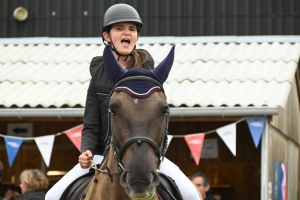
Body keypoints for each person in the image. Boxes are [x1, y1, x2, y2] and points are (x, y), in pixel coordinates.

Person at [46, 3, 200, 200]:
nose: (127, 32)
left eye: (132, 29)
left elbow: (160, 119)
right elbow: (91, 126)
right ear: (107, 36)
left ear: (137, 36)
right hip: (103, 156)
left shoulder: (150, 76)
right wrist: (86, 151)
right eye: (119, 28)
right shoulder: (98, 77)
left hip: (145, 156)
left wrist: (154, 154)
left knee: (191, 195)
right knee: (51, 196)